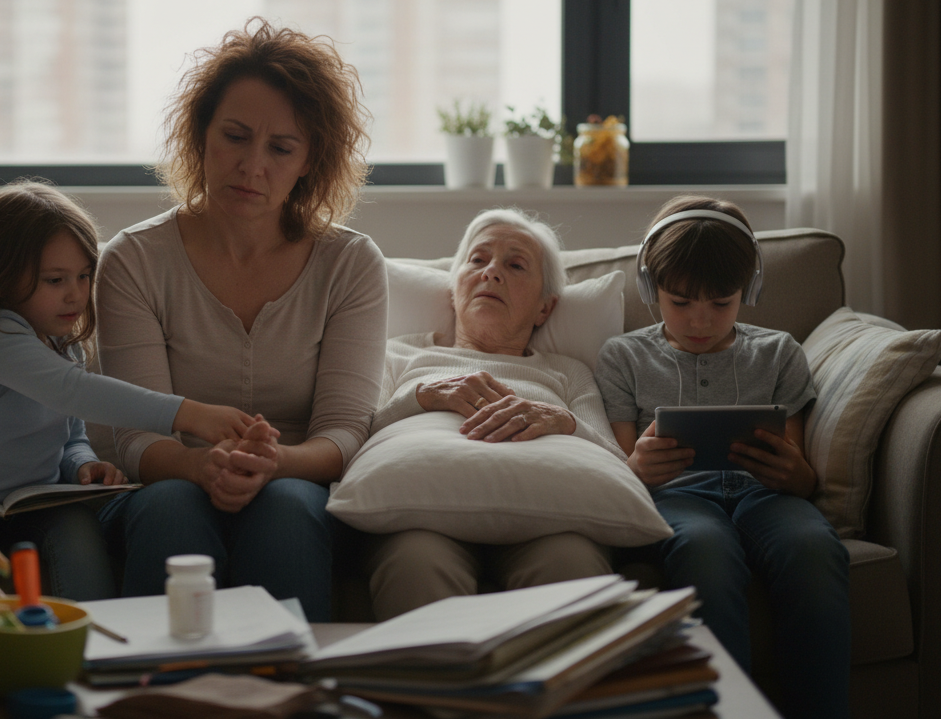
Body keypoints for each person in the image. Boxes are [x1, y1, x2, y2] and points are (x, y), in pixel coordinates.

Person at [95, 18, 387, 622]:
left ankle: (284, 696)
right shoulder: (132, 260)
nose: (252, 165)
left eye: (281, 148)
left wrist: (275, 462)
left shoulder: (351, 264)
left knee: (284, 507)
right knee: (173, 505)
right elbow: (134, 434)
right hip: (172, 481)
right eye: (235, 136)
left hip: (296, 481)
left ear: (310, 161)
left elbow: (344, 433)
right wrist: (203, 465)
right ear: (201, 136)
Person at [0, 181, 252, 600]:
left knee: (77, 528)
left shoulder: (64, 345)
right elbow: (71, 392)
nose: (76, 293)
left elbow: (71, 433)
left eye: (84, 276)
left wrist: (82, 463)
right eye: (55, 279)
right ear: (2, 278)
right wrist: (188, 413)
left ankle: (95, 653)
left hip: (30, 506)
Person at [593, 196, 849, 719]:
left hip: (764, 496)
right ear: (650, 288)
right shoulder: (623, 357)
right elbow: (621, 473)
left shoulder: (779, 353)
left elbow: (798, 473)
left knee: (813, 549)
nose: (700, 321)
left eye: (721, 302)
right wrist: (637, 469)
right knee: (704, 551)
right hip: (679, 498)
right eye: (680, 302)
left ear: (748, 290)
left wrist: (796, 475)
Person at [363, 208, 621, 620]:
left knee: (571, 565)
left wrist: (562, 421)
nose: (491, 273)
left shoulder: (569, 372)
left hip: (549, 520)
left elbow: (616, 459)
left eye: (515, 264)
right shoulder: (395, 354)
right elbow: (353, 435)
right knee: (416, 564)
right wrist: (424, 397)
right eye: (478, 260)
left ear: (544, 309)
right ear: (453, 291)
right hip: (423, 516)